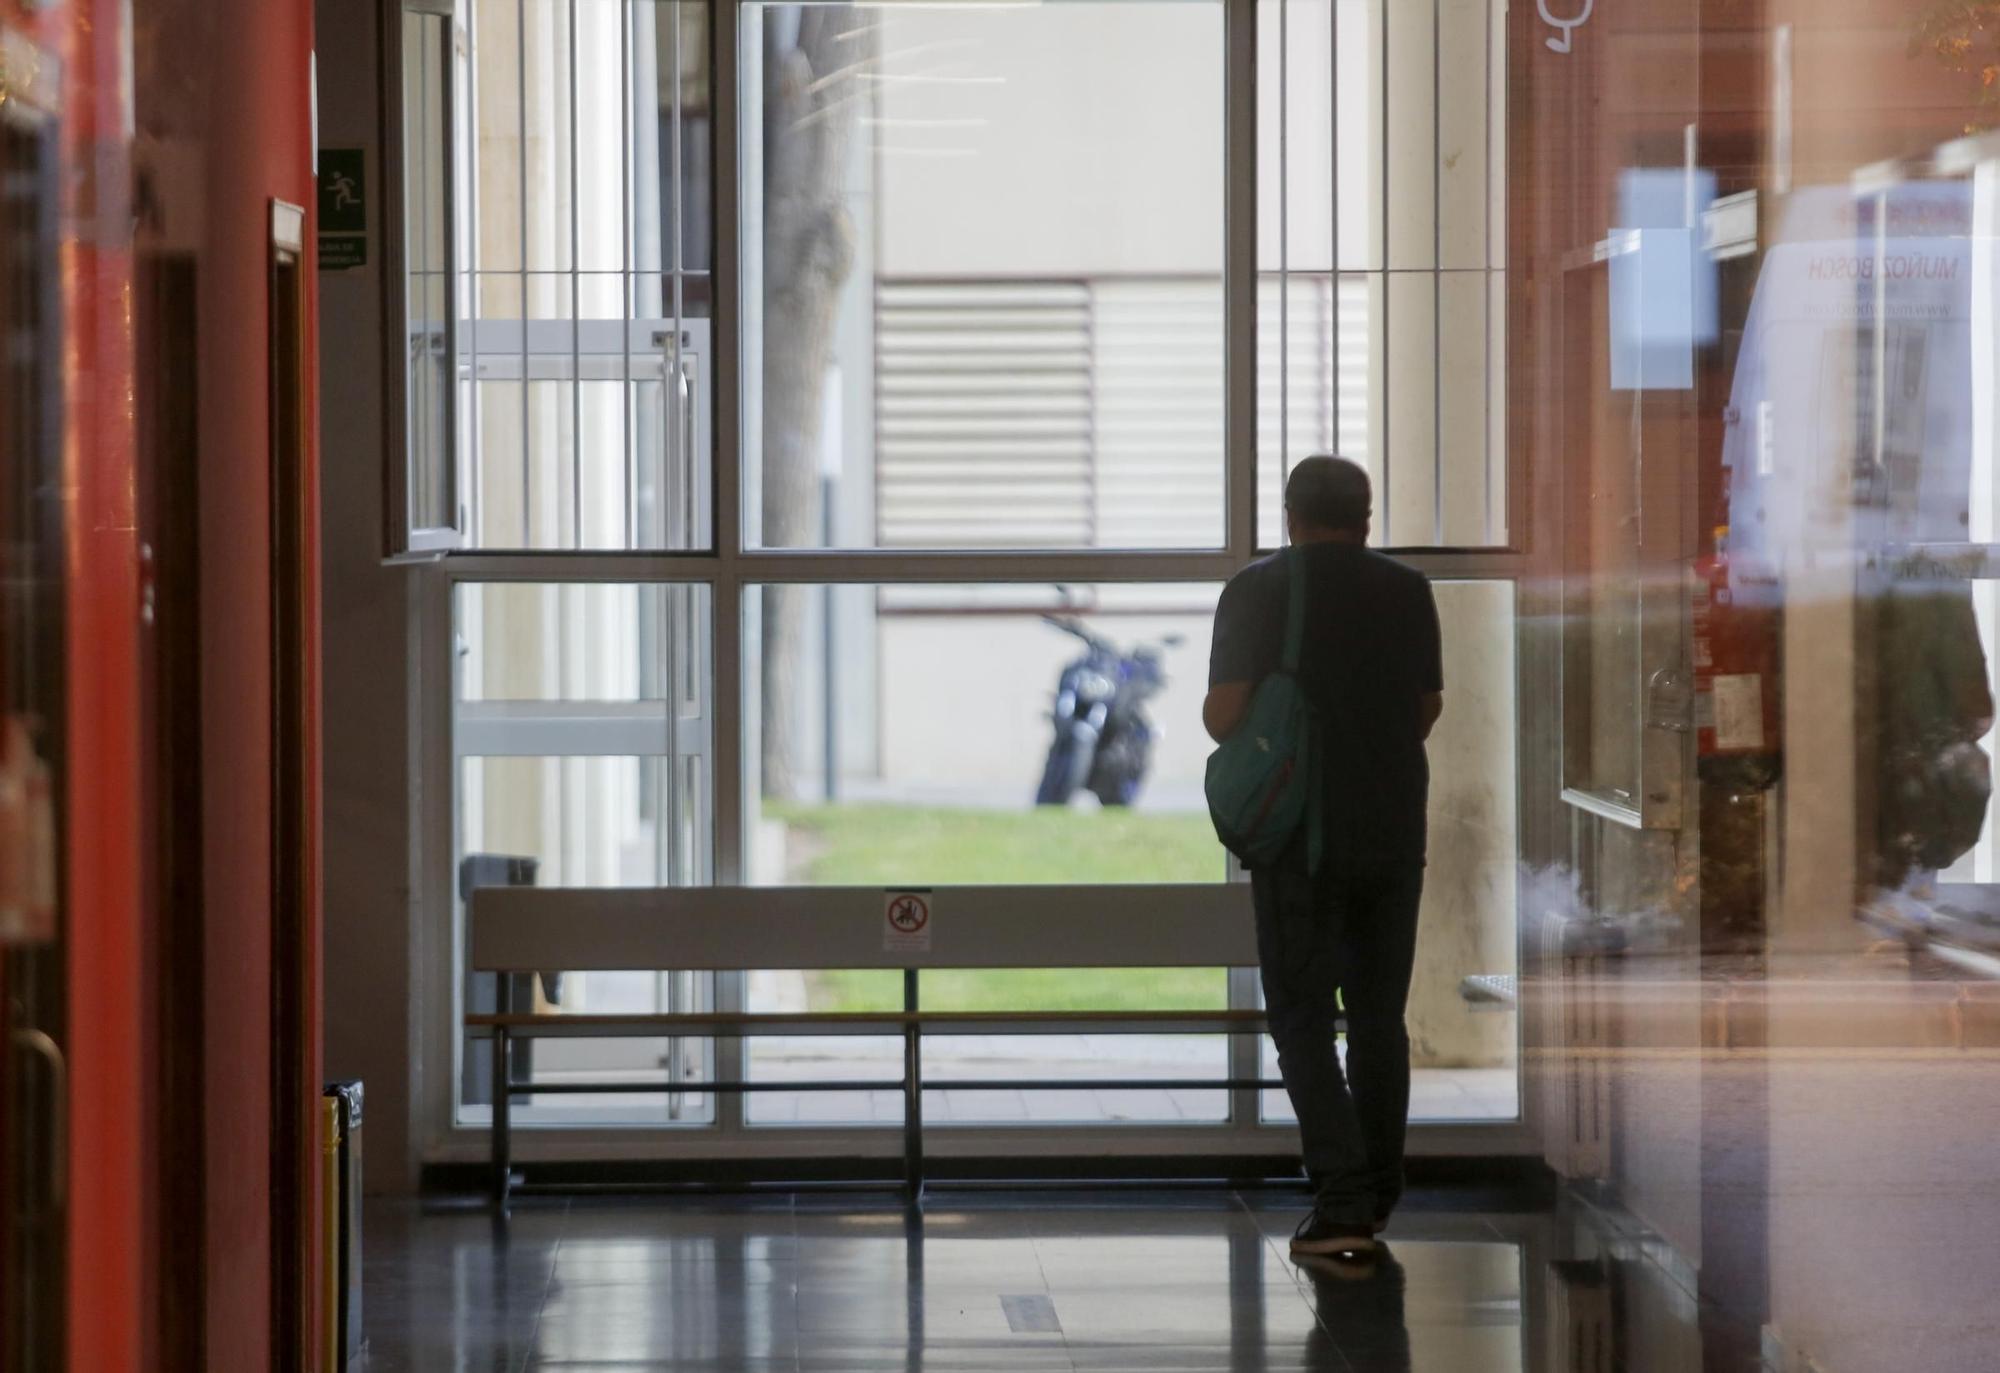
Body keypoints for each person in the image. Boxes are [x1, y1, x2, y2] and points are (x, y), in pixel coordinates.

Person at [1203, 455, 1443, 1260]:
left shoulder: (1259, 589)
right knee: (1379, 1020)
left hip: (1301, 841)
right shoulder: (1408, 591)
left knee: (1303, 1018)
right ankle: (1376, 1193)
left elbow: (1225, 713)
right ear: (1366, 517)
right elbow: (1425, 707)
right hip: (1392, 836)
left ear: (1290, 514)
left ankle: (1342, 1197)